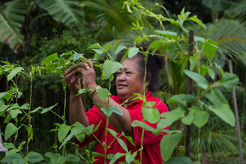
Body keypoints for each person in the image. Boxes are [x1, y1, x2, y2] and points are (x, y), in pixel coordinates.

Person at [64, 51, 169, 164]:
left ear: (146, 79)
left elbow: (128, 127)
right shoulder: (108, 102)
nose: (120, 78)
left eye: (127, 73)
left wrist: (92, 87)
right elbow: (81, 133)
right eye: (118, 73)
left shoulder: (156, 108)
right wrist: (75, 94)